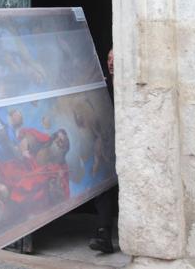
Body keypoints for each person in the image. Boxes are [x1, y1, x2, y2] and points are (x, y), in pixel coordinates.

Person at [89, 48, 119, 254]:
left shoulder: (127, 87)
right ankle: (104, 235)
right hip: (107, 147)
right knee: (104, 189)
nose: (110, 62)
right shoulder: (102, 86)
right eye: (108, 58)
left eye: (115, 59)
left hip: (126, 146)